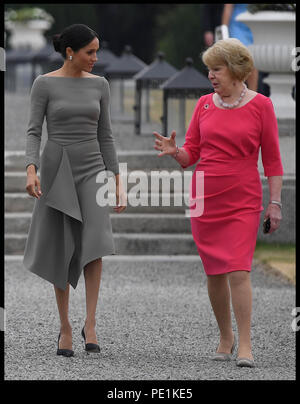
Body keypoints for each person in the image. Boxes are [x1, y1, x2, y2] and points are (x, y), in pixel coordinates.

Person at [153, 38, 283, 368]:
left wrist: (276, 203)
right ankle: (225, 336)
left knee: (239, 270)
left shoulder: (261, 106)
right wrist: (175, 151)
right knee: (213, 272)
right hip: (204, 196)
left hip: (243, 198)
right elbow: (191, 155)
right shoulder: (204, 105)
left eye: (217, 69)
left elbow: (272, 161)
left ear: (236, 69)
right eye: (208, 69)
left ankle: (246, 345)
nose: (211, 75)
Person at [23, 24, 127, 357]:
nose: (96, 58)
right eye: (90, 52)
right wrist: (31, 169)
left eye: (96, 51)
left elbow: (106, 135)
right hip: (57, 167)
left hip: (92, 167)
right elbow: (33, 132)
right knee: (62, 243)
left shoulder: (101, 85)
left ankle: (91, 323)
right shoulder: (44, 84)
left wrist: (117, 179)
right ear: (71, 52)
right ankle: (65, 326)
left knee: (95, 242)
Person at [222, 4, 259, 91]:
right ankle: (233, 93)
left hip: (254, 24)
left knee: (254, 61)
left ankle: (253, 96)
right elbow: (228, 8)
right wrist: (224, 31)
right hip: (237, 24)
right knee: (239, 57)